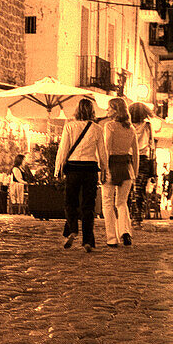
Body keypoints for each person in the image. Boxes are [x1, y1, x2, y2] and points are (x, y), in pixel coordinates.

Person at [55, 97, 108, 252]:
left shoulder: (70, 127)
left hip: (73, 168)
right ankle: (87, 241)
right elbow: (102, 152)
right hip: (91, 169)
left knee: (70, 201)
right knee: (88, 205)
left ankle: (72, 229)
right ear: (92, 112)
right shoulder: (97, 129)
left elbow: (63, 149)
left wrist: (58, 168)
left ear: (77, 110)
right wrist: (104, 170)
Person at [101, 97, 139, 247]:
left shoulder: (109, 126)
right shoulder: (131, 129)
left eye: (109, 108)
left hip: (111, 166)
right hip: (126, 167)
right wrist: (134, 172)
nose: (107, 110)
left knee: (108, 203)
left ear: (116, 110)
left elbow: (106, 149)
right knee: (122, 202)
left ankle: (112, 238)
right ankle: (125, 232)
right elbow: (135, 153)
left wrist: (102, 169)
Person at [129, 101, 155, 226]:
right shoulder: (148, 126)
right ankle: (138, 217)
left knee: (127, 188)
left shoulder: (127, 125)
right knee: (140, 189)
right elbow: (152, 146)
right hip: (143, 159)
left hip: (129, 158)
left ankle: (127, 215)